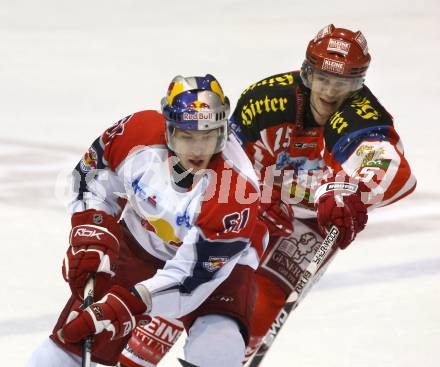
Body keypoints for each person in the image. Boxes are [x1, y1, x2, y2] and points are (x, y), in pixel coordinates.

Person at [26, 74, 267, 367]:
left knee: (218, 351)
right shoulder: (136, 133)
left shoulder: (237, 189)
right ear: (168, 129)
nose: (198, 150)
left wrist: (129, 303)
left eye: (209, 136)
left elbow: (192, 279)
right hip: (140, 242)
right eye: (187, 137)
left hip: (218, 270)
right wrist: (93, 228)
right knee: (73, 339)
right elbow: (90, 179)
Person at [227, 24, 417, 361]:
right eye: (323, 79)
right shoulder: (266, 101)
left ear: (357, 84)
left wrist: (349, 192)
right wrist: (256, 195)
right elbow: (228, 155)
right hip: (256, 201)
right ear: (308, 73)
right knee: (204, 283)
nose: (330, 93)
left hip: (316, 219)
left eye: (342, 83)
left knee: (264, 304)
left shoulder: (359, 117)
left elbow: (394, 171)